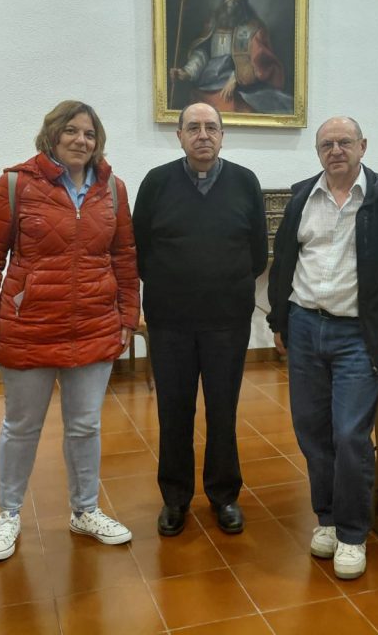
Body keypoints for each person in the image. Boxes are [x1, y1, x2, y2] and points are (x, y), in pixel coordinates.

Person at [0, 100, 140, 561]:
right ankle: (8, 514)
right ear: (52, 135)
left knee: (84, 426)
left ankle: (84, 510)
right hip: (28, 327)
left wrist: (128, 318)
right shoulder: (15, 185)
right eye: (71, 131)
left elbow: (125, 259)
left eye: (89, 133)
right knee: (22, 427)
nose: (81, 140)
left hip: (95, 325)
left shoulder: (114, 190)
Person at [267, 116, 378, 580]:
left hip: (360, 335)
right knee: (311, 430)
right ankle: (328, 518)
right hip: (303, 328)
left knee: (350, 435)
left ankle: (354, 533)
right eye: (326, 144)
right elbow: (284, 262)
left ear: (363, 145)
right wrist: (279, 319)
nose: (335, 150)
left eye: (343, 142)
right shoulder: (303, 196)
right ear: (317, 152)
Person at [133, 102, 267, 537]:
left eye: (212, 127)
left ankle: (224, 495)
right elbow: (141, 249)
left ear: (223, 135)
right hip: (170, 320)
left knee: (223, 410)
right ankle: (175, 498)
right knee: (174, 410)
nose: (203, 134)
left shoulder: (245, 182)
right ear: (180, 136)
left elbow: (256, 251)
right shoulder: (157, 182)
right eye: (194, 127)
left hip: (227, 320)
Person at [169, 0, 293, 114]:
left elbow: (261, 63)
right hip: (206, 84)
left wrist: (236, 78)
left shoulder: (253, 27)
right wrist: (187, 72)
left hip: (235, 89)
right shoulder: (214, 21)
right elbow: (203, 53)